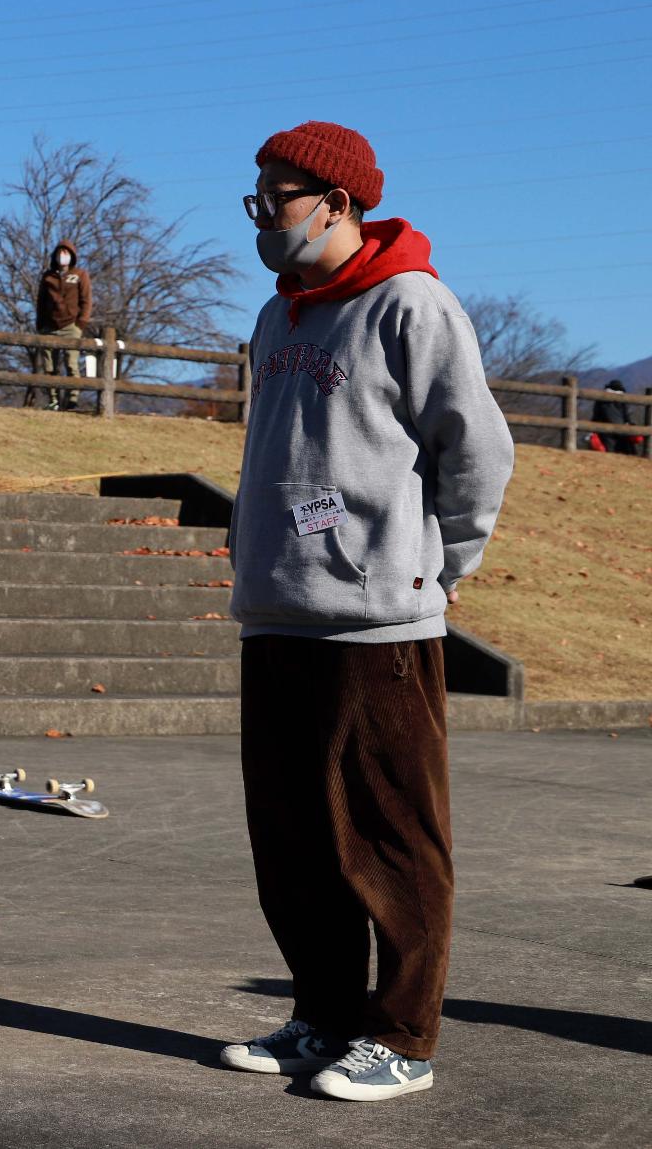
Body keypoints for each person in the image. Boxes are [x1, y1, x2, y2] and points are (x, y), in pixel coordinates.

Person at [220, 122, 514, 1103]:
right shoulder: (277, 318)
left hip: (378, 624)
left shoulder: (409, 305)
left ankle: (400, 1037)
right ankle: (321, 1015)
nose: (262, 217)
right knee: (292, 841)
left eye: (278, 199)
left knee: (389, 842)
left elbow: (474, 450)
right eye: (254, 199)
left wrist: (443, 566)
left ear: (336, 203)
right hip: (276, 616)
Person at [35, 240, 92, 411]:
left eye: (67, 253)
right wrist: (40, 324)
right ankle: (53, 400)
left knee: (71, 363)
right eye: (60, 252)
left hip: (71, 326)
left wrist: (80, 324)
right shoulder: (48, 276)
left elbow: (86, 300)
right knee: (49, 365)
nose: (63, 256)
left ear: (72, 256)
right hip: (49, 327)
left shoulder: (80, 275)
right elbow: (41, 302)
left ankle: (72, 399)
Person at [591, 379, 643, 456]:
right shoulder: (622, 399)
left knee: (609, 453)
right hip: (621, 431)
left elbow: (596, 415)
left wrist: (592, 428)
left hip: (604, 431)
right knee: (626, 453)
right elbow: (626, 417)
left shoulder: (601, 399)